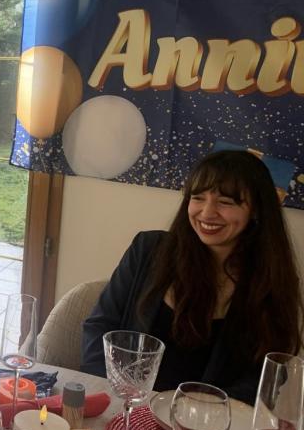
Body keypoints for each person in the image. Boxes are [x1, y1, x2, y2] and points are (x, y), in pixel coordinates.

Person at [80, 150, 303, 404]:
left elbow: (266, 377)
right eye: (197, 198)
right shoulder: (148, 250)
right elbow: (99, 327)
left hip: (208, 420)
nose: (207, 212)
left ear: (256, 210)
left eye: (225, 202)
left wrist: (202, 410)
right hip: (127, 405)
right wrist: (112, 394)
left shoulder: (271, 281)